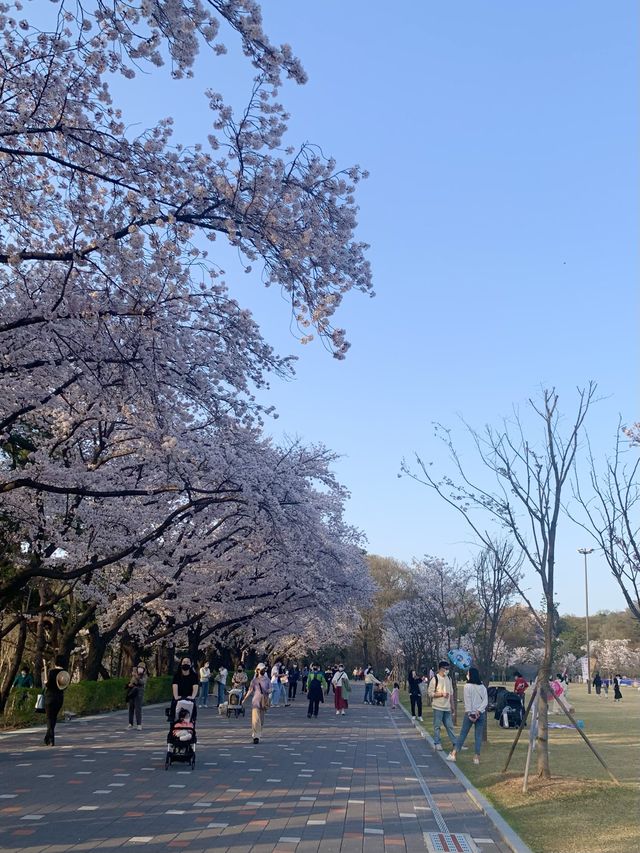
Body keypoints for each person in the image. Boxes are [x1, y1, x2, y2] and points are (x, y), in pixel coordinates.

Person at [447, 667, 488, 765]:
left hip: (470, 714)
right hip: (480, 714)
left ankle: (454, 754)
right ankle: (476, 757)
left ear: (470, 675)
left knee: (463, 734)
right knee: (478, 736)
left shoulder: (467, 686)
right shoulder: (482, 687)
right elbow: (485, 701)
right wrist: (479, 711)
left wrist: (470, 714)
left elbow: (468, 701)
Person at [427, 660, 457, 752]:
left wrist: (452, 706)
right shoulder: (435, 679)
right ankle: (437, 743)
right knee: (437, 726)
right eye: (445, 668)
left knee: (449, 726)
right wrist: (441, 694)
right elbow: (430, 693)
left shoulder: (449, 679)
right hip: (438, 707)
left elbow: (451, 693)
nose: (447, 670)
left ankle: (456, 743)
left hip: (447, 707)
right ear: (441, 669)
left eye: (448, 669)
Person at [44, 654, 69, 746]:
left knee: (49, 718)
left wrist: (46, 682)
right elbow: (64, 686)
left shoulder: (52, 672)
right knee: (53, 717)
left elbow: (49, 685)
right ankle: (48, 737)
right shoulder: (65, 673)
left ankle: (51, 737)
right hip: (59, 697)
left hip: (50, 697)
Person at [242, 662, 271, 743]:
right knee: (255, 720)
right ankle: (256, 736)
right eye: (262, 669)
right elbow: (250, 690)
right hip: (255, 702)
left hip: (263, 702)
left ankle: (259, 733)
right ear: (257, 670)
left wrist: (269, 691)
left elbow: (271, 689)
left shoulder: (267, 680)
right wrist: (244, 699)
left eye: (264, 669)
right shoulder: (254, 681)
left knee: (261, 720)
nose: (263, 670)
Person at [171, 657, 199, 723]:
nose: (185, 663)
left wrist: (192, 697)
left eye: (187, 662)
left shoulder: (194, 676)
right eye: (184, 662)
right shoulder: (177, 675)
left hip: (189, 697)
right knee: (174, 716)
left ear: (191, 664)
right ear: (181, 663)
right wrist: (176, 697)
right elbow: (175, 686)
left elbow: (195, 686)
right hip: (179, 697)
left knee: (191, 717)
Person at [126, 663, 147, 730]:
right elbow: (131, 682)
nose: (140, 669)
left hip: (139, 694)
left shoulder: (144, 676)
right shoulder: (134, 674)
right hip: (132, 692)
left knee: (138, 709)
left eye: (142, 668)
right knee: (131, 709)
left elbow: (142, 682)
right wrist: (129, 685)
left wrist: (136, 676)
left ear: (144, 669)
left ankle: (139, 724)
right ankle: (130, 724)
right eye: (139, 667)